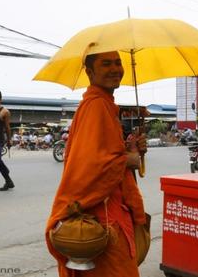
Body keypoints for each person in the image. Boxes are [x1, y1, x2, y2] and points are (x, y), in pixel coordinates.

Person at [45, 51, 147, 277]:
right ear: (90, 72)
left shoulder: (104, 104)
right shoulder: (97, 106)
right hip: (103, 216)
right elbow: (88, 166)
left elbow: (104, 151)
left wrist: (131, 148)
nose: (115, 69)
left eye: (118, 63)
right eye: (106, 64)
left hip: (111, 211)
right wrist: (127, 160)